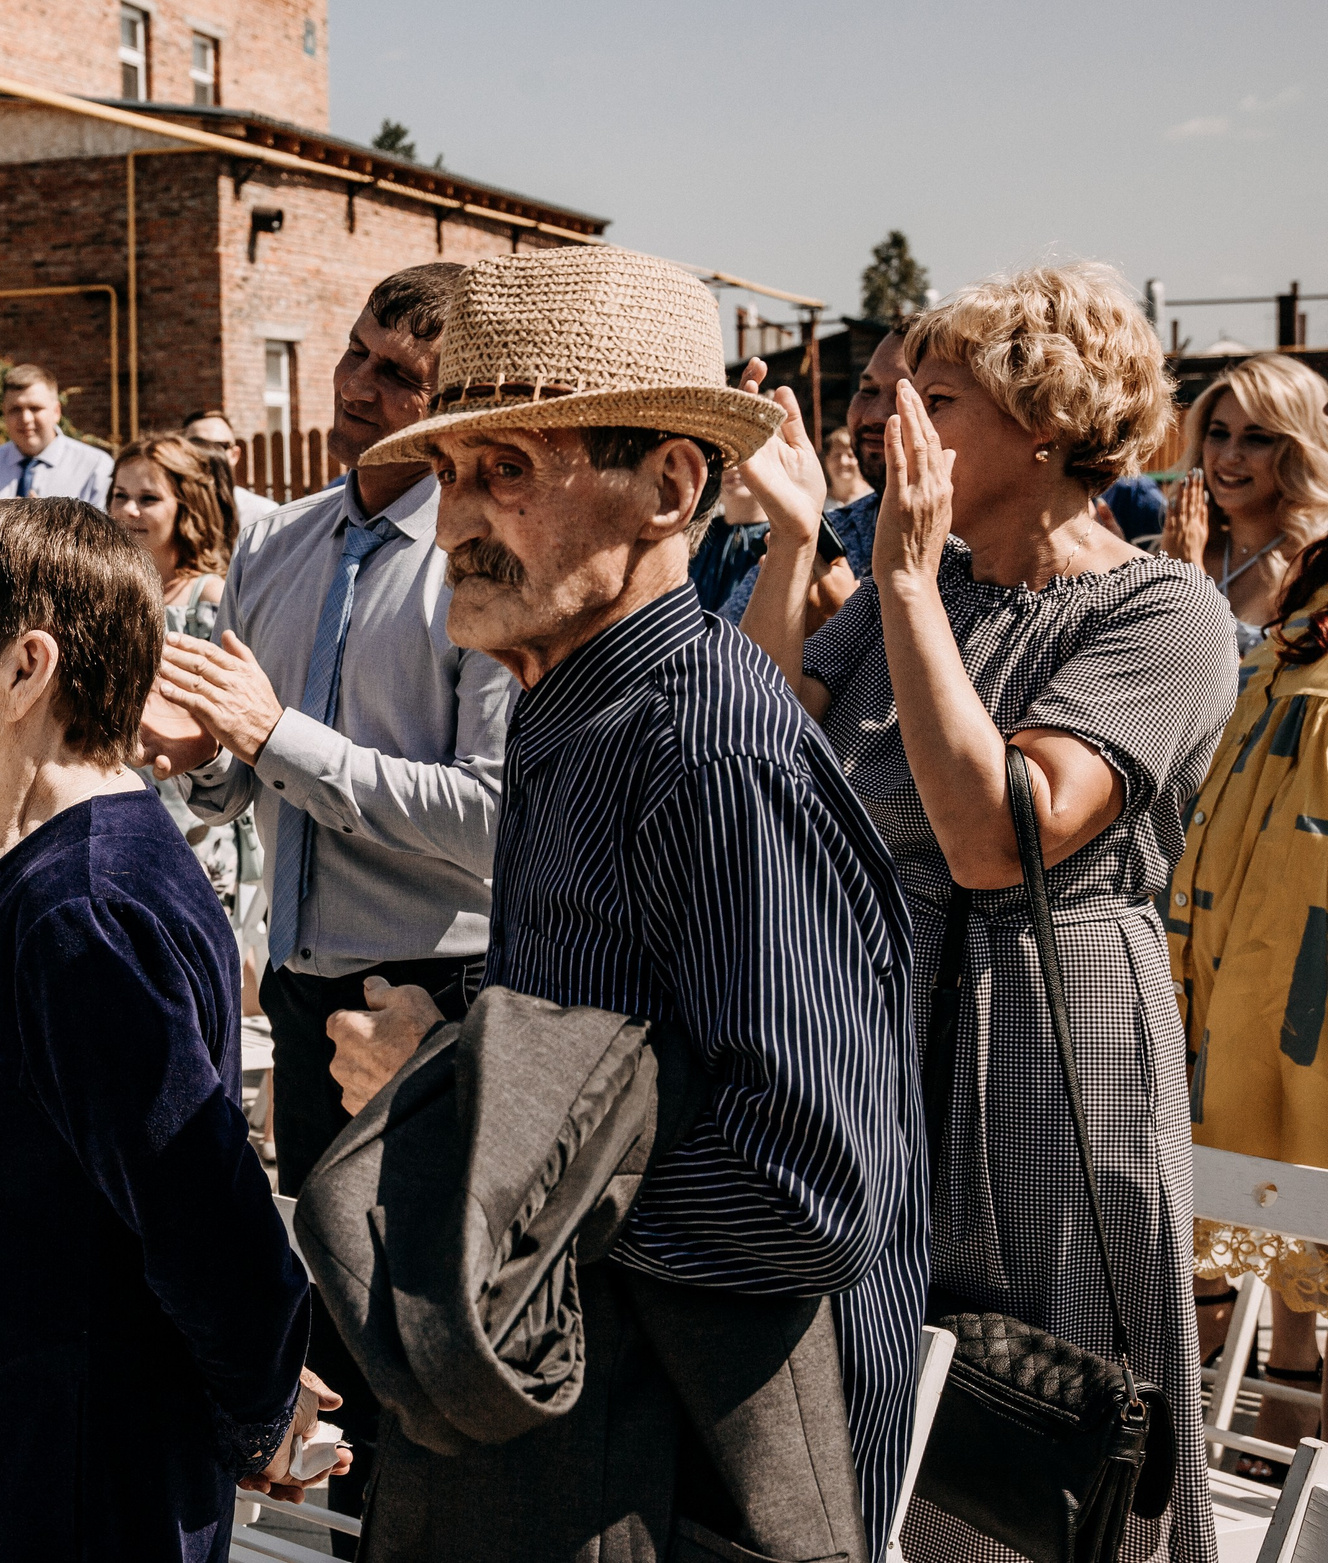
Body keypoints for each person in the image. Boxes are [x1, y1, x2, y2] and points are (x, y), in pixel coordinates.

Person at [331, 244, 925, 1560]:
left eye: (508, 470)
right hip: (557, 1465)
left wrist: (450, 1131)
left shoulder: (714, 750)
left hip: (666, 1487)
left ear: (668, 485)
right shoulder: (572, 705)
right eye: (446, 472)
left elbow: (808, 1187)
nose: (453, 524)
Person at [741, 261, 1236, 1560]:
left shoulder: (1161, 611)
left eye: (938, 395)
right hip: (881, 1035)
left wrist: (900, 585)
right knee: (866, 1420)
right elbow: (758, 738)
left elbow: (992, 833)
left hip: (1044, 1049)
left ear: (1047, 421)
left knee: (1028, 1428)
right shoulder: (940, 581)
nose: (898, 417)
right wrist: (799, 542)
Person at [0, 498, 335, 1558]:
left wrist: (263, 1402)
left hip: (67, 1492)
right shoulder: (30, 865)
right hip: (2, 1462)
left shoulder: (81, 908)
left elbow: (201, 1207)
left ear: (26, 667)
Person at [139, 260, 518, 1518]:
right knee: (333, 1326)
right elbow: (241, 790)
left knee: (431, 1338)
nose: (357, 388)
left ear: (452, 403)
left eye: (397, 375)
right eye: (355, 354)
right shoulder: (280, 540)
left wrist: (270, 737)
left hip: (436, 991)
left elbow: (489, 822)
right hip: (300, 989)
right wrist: (199, 763)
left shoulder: (482, 560)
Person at [1171, 535, 1328, 1464]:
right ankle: (1194, 1475)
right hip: (1227, 962)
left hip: (1306, 990)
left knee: (1303, 1227)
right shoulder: (1302, 609)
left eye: (1259, 437)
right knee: (1215, 1219)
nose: (1230, 457)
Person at [112, 435, 258, 940]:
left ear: (186, 508)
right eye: (119, 494)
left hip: (193, 809)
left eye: (148, 498)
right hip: (116, 801)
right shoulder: (110, 593)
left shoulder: (208, 598)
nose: (128, 510)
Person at [718, 326, 908, 626]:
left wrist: (847, 624)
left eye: (904, 396)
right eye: (868, 391)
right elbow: (724, 652)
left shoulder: (988, 559)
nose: (873, 415)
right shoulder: (832, 533)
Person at [1162, 353, 1328, 649]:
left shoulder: (1314, 567)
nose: (1228, 457)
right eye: (1218, 434)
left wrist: (1190, 581)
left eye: (1257, 438)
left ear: (1299, 451)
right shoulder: (1176, 547)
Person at [0, 363, 113, 508]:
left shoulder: (95, 468)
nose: (25, 419)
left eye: (35, 408)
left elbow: (106, 540)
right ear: (4, 413)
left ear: (56, 411)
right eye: (15, 409)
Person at [685, 457, 767, 610]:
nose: (733, 467)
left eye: (746, 456)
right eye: (725, 457)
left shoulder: (783, 538)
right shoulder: (695, 537)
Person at [184, 407, 281, 527]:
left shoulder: (263, 515)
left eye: (218, 447)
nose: (209, 454)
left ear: (234, 455)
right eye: (197, 445)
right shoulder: (167, 510)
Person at [823, 421, 872, 506]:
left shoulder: (876, 499)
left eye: (850, 456)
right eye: (836, 456)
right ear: (827, 460)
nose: (843, 462)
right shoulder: (818, 502)